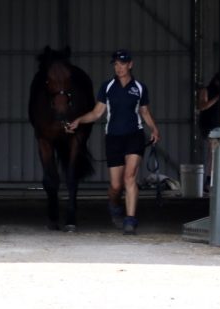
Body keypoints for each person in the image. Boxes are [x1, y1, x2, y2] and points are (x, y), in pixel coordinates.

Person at [66, 48, 160, 235]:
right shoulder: (107, 87)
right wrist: (78, 120)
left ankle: (130, 220)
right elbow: (97, 113)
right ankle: (115, 206)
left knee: (130, 177)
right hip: (114, 139)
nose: (119, 68)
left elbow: (144, 112)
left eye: (122, 64)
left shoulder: (139, 88)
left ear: (130, 65)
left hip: (134, 136)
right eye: (116, 64)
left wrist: (154, 129)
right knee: (116, 186)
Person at [196, 73, 220, 182]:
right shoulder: (206, 91)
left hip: (215, 125)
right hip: (208, 125)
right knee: (211, 153)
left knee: (213, 153)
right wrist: (217, 98)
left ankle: (209, 178)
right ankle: (207, 179)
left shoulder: (219, 92)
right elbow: (202, 106)